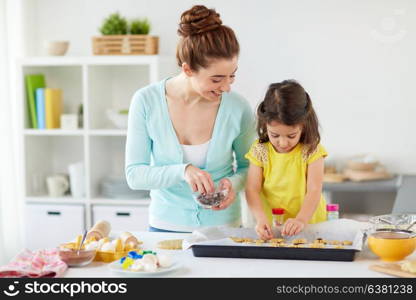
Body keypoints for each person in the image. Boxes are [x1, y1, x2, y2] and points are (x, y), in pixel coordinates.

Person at [125, 5, 254, 233]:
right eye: (216, 79)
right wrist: (183, 171)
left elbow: (249, 167)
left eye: (231, 76)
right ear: (188, 69)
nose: (226, 87)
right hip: (165, 227)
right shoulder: (146, 101)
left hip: (224, 229)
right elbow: (135, 175)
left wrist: (232, 184)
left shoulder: (238, 108)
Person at [245, 80, 327, 239]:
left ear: (303, 125)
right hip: (274, 226)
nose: (282, 143)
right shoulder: (260, 151)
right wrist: (261, 219)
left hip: (311, 225)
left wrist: (301, 219)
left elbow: (314, 190)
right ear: (265, 124)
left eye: (291, 136)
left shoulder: (311, 151)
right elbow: (252, 189)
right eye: (274, 135)